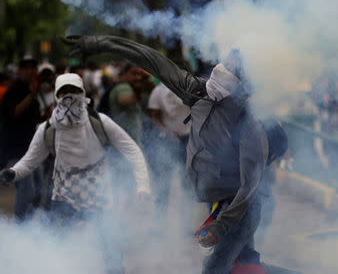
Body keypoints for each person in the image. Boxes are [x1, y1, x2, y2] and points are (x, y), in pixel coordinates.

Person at [62, 35, 287, 274]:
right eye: (223, 62)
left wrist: (220, 227)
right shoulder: (198, 93)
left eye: (229, 67)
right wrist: (101, 44)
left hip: (242, 210)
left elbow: (249, 190)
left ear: (241, 85)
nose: (219, 68)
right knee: (243, 266)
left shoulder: (249, 125)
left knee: (215, 268)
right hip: (220, 202)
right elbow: (153, 61)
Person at [0, 73, 151, 274]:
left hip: (98, 191)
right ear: (56, 95)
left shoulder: (100, 122)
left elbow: (132, 150)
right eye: (64, 92)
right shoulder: (47, 129)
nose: (69, 96)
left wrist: (143, 185)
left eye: (74, 91)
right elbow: (30, 160)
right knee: (56, 247)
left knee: (111, 250)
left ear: (83, 93)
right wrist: (13, 173)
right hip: (64, 192)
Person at [0, 56, 42, 222]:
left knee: (39, 191)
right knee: (27, 189)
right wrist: (31, 95)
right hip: (15, 151)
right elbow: (15, 113)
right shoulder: (14, 90)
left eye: (33, 67)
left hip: (32, 151)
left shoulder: (33, 91)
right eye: (26, 68)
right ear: (19, 70)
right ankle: (20, 228)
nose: (30, 71)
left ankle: (29, 226)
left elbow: (35, 120)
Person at [147, 82, 192, 230]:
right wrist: (167, 132)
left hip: (186, 139)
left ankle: (185, 222)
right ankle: (161, 223)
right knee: (165, 181)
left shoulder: (186, 88)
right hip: (170, 141)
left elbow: (154, 115)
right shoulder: (160, 90)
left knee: (186, 181)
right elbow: (154, 116)